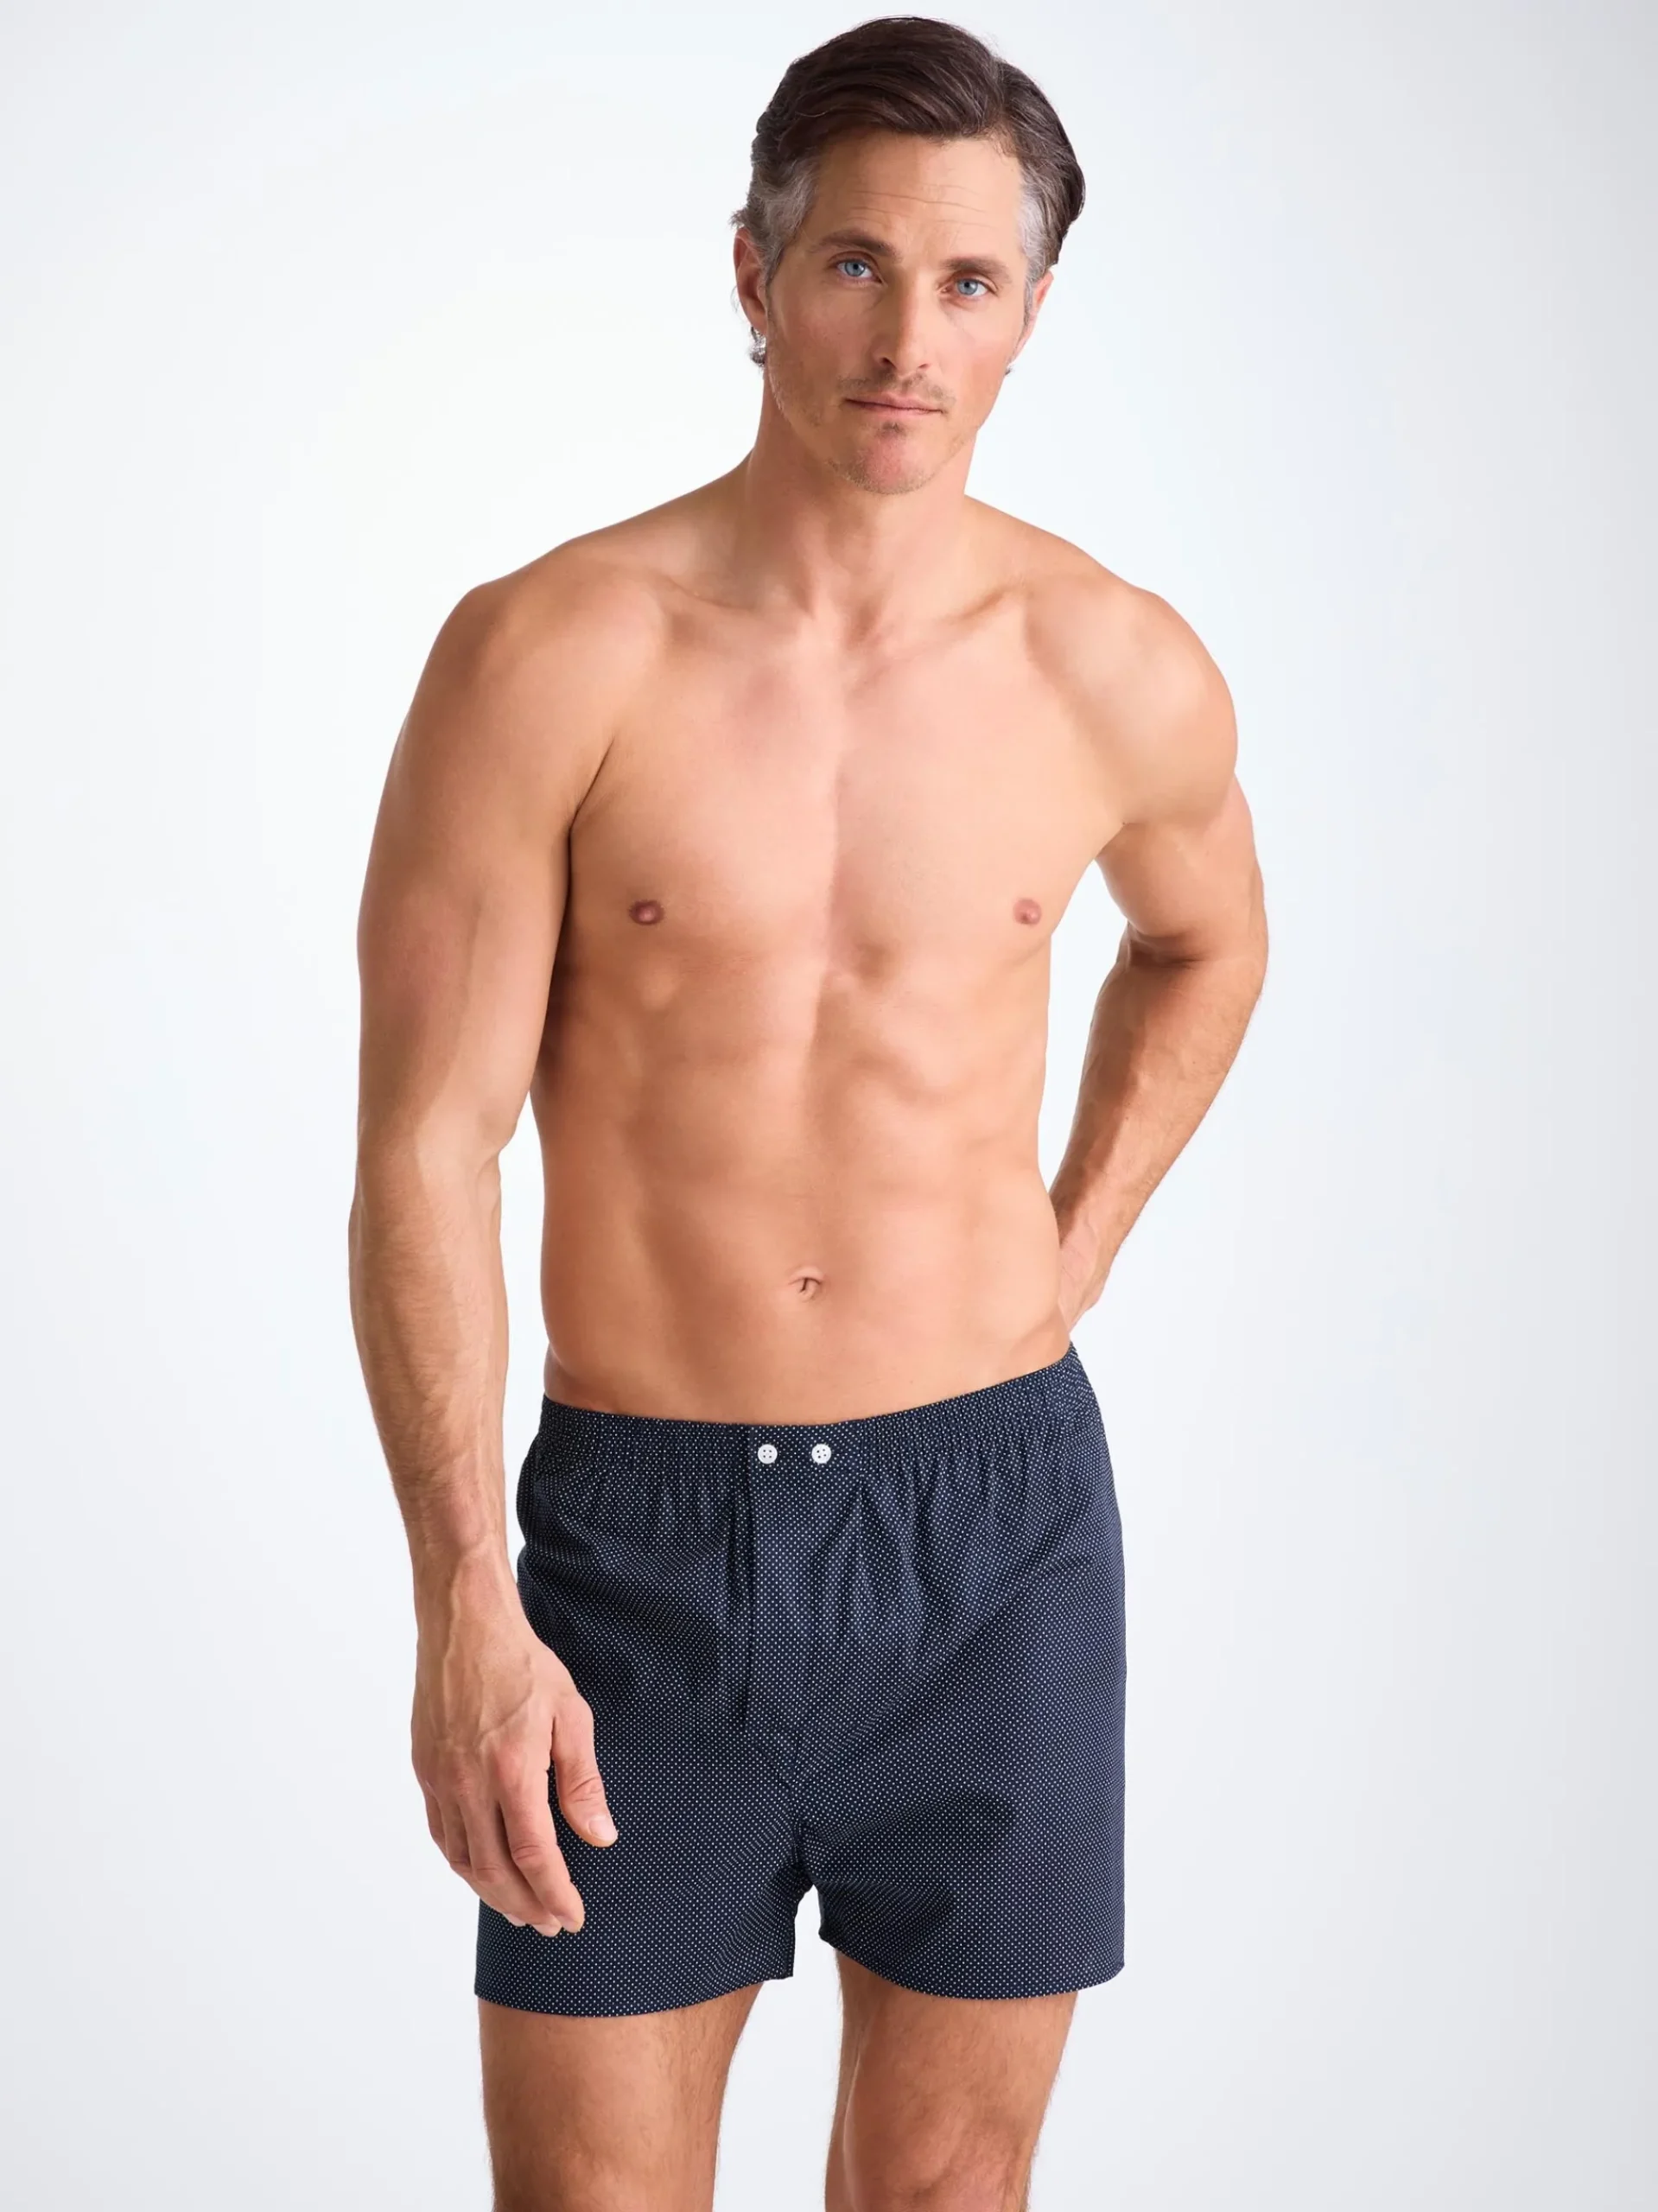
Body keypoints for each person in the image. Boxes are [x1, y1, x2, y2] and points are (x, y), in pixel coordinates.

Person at [348, 15, 1266, 2209]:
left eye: (967, 282)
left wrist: (1069, 1248)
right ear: (753, 274)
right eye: (853, 264)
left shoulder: (1109, 662)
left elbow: (1206, 945)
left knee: (947, 2192)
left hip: (992, 1530)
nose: (905, 339)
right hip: (639, 1547)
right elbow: (424, 1143)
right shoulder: (548, 654)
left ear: (1029, 311)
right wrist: (460, 1592)